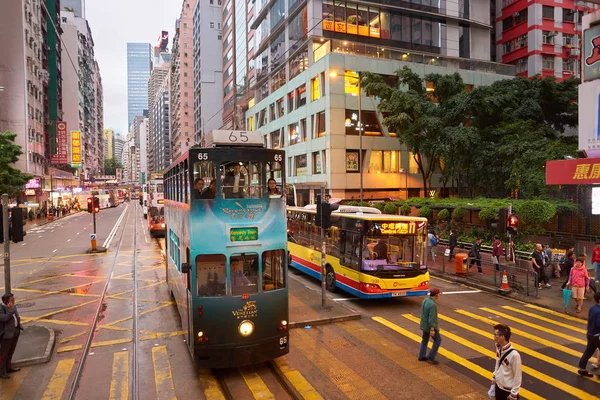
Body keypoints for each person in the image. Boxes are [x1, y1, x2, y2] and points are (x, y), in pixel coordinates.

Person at [492, 324, 522, 400]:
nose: (494, 336)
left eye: (496, 335)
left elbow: (518, 375)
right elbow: (497, 363)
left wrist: (514, 394)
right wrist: (494, 376)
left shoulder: (514, 355)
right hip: (498, 387)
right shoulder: (498, 347)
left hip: (507, 391)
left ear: (502, 337)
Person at [0, 293, 24, 379]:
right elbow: (4, 318)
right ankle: (2, 372)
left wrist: (18, 325)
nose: (14, 301)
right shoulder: (1, 308)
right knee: (3, 354)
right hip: (6, 336)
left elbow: (16, 316)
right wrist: (10, 309)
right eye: (12, 300)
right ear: (6, 302)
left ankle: (8, 367)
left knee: (11, 352)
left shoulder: (13, 306)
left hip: (15, 332)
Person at [577, 291, 600, 377]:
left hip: (590, 334)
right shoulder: (599, 311)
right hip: (597, 336)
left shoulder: (593, 308)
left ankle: (582, 368)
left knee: (588, 352)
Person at [419, 288, 442, 365]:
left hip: (424, 325)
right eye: (439, 294)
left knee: (425, 340)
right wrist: (432, 329)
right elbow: (432, 318)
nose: (439, 295)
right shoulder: (432, 305)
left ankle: (422, 355)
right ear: (436, 295)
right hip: (430, 326)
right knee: (438, 340)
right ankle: (431, 357)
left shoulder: (425, 300)